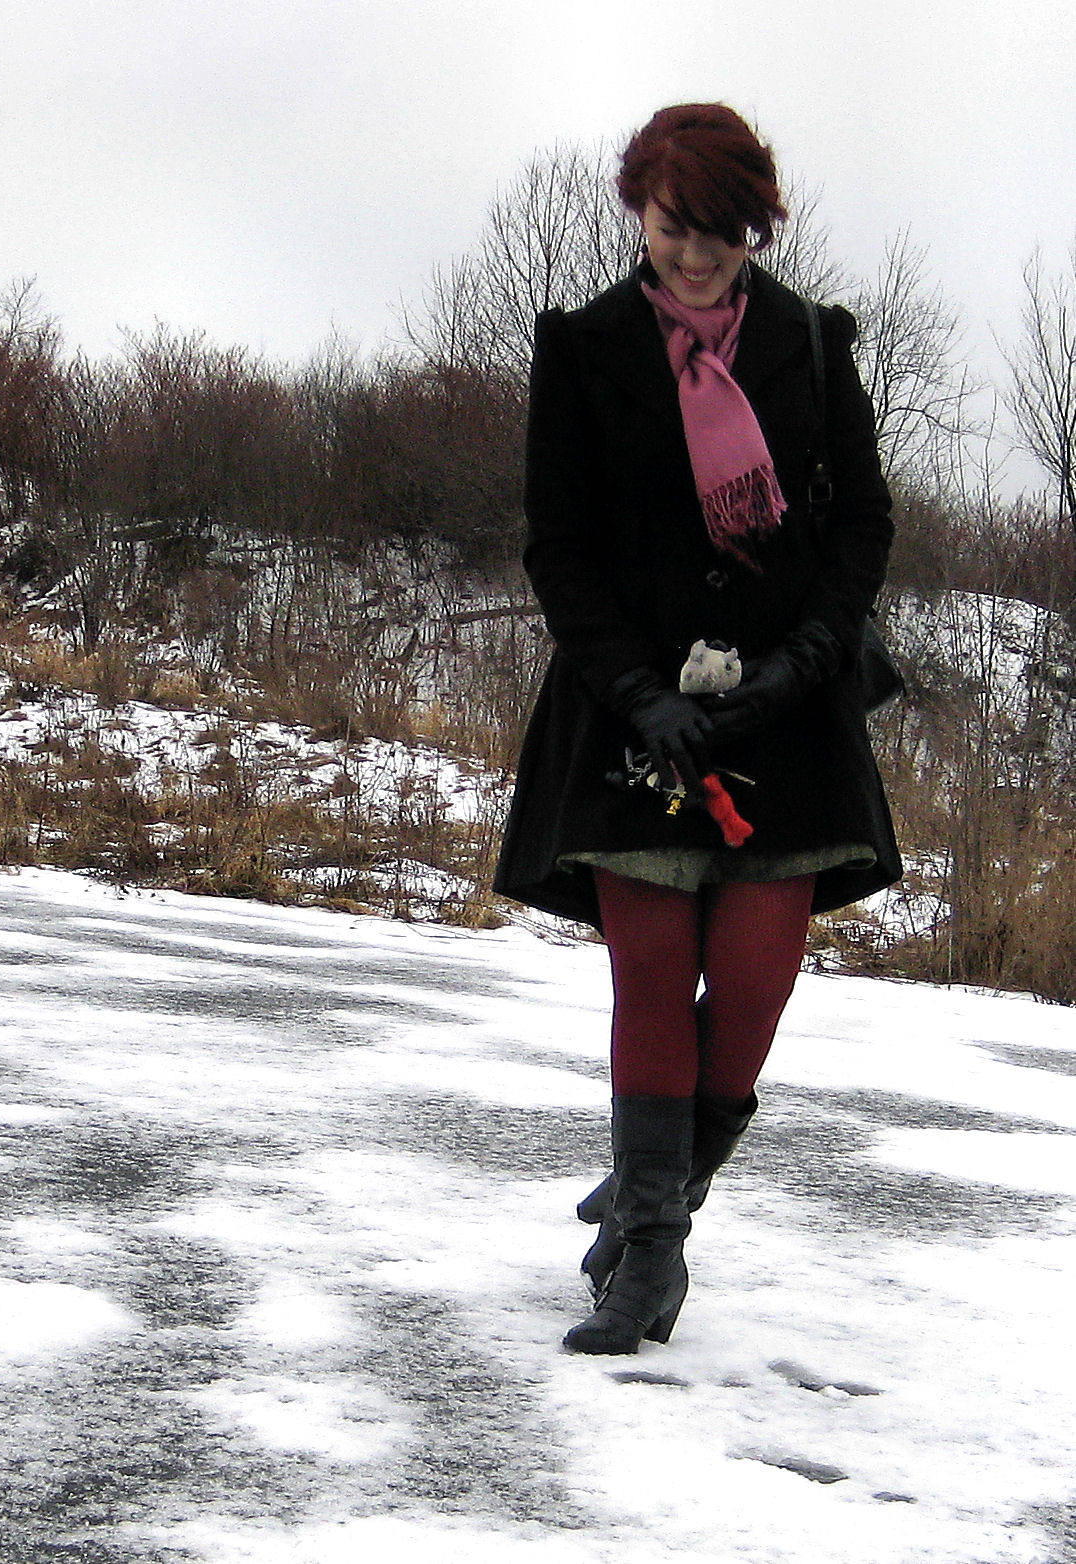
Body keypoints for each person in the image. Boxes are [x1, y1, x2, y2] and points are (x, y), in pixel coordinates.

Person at [493, 103, 901, 1355]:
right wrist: (638, 691)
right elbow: (558, 545)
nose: (695, 254)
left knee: (758, 986)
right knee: (653, 976)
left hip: (787, 716)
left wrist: (802, 665)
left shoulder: (810, 344)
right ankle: (652, 1258)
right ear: (640, 213)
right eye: (674, 227)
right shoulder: (583, 350)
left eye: (720, 232)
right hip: (636, 718)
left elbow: (860, 527)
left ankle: (647, 1186)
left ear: (754, 226)